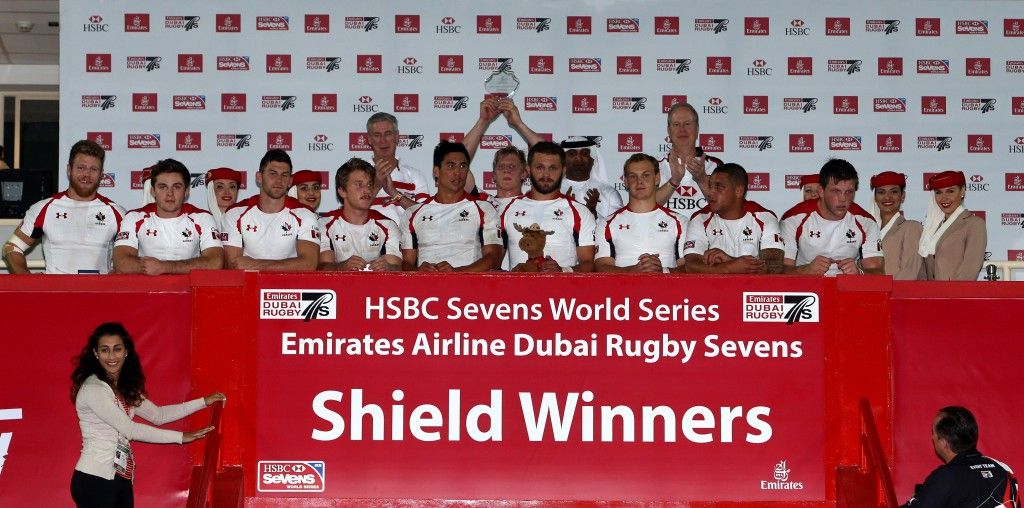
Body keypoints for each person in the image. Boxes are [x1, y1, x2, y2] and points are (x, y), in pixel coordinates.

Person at [70, 322, 225, 508]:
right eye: (104, 350)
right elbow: (130, 429)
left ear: (126, 352)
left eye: (117, 349)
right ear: (96, 354)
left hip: (121, 478)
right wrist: (181, 437)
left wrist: (202, 402)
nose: (111, 356)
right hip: (95, 479)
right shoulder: (93, 389)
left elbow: (158, 415)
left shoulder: (124, 388)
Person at [3, 140, 126, 274]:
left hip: (99, 293)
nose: (87, 174)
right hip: (55, 293)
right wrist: (27, 281)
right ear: (69, 170)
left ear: (101, 174)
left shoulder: (116, 212)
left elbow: (134, 256)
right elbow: (12, 247)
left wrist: (119, 274)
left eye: (93, 169)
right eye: (81, 168)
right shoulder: (44, 208)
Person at [400, 141, 502, 271]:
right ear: (436, 171)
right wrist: (419, 272)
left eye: (463, 166)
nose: (457, 172)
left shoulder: (483, 208)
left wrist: (456, 273)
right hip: (427, 289)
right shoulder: (412, 213)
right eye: (450, 166)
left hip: (470, 288)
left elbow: (494, 258)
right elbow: (405, 264)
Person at [112, 159, 224, 275]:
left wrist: (164, 267)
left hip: (189, 291)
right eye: (162, 187)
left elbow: (215, 263)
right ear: (153, 191)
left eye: (176, 187)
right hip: (146, 290)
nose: (170, 193)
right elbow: (121, 263)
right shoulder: (134, 217)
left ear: (186, 191)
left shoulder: (202, 218)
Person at [500, 141, 597, 272]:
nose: (546, 174)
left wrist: (563, 271)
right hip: (516, 291)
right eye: (540, 167)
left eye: (553, 168)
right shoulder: (508, 209)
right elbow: (493, 260)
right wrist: (511, 274)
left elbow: (589, 265)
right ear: (528, 170)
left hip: (561, 291)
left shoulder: (579, 211)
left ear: (563, 171)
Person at [780, 158, 884, 276]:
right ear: (821, 191)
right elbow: (779, 272)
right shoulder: (793, 219)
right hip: (806, 289)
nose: (843, 199)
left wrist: (859, 273)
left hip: (847, 290)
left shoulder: (866, 222)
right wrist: (806, 270)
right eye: (836, 191)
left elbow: (879, 272)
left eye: (849, 192)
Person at [222, 149, 320, 271]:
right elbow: (233, 266)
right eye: (272, 173)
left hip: (290, 287)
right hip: (250, 286)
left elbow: (309, 264)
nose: (279, 180)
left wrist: (255, 265)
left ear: (290, 181)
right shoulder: (235, 213)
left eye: (284, 175)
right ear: (259, 177)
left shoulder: (305, 214)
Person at [901, 406, 1019, 508]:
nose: (932, 438)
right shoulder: (1004, 469)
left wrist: (922, 497)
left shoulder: (946, 476)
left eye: (934, 433)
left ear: (944, 442)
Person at [683, 163, 785, 274]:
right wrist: (729, 267)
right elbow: (691, 266)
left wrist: (730, 261)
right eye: (710, 186)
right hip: (714, 289)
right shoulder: (700, 218)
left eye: (718, 187)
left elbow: (774, 268)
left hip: (752, 290)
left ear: (738, 191)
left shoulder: (765, 217)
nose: (710, 193)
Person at [595, 153, 686, 273]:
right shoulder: (607, 223)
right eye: (633, 176)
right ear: (626, 181)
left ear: (657, 178)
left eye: (646, 175)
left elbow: (688, 268)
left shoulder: (679, 221)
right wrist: (634, 271)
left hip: (667, 290)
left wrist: (663, 271)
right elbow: (601, 267)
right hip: (624, 291)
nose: (639, 181)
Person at [318, 158, 401, 272]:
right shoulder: (324, 224)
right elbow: (322, 267)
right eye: (359, 184)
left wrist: (389, 268)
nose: (366, 190)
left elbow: (397, 267)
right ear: (342, 191)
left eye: (369, 185)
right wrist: (341, 267)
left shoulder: (387, 225)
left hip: (377, 288)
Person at [463, 98, 542, 212]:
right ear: (494, 175)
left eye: (512, 167)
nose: (506, 171)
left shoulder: (534, 201)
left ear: (524, 173)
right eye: (501, 167)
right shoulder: (482, 201)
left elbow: (549, 156)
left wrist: (518, 124)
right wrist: (483, 121)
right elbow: (456, 159)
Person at [918, 171, 987, 280]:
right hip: (930, 294)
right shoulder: (932, 227)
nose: (944, 198)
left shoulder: (974, 224)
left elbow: (969, 269)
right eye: (938, 192)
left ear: (962, 191)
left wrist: (953, 294)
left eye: (950, 191)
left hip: (955, 294)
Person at [655, 102, 722, 211]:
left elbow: (723, 207)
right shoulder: (654, 165)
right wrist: (674, 181)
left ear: (697, 129)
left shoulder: (715, 165)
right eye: (676, 124)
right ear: (668, 130)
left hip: (704, 228)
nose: (682, 130)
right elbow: (645, 207)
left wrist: (702, 179)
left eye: (687, 124)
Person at [870, 171, 923, 280]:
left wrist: (888, 294)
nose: (887, 197)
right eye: (881, 192)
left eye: (893, 192)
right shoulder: (868, 230)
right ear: (875, 197)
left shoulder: (912, 227)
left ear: (902, 196)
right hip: (869, 293)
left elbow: (909, 271)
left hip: (898, 294)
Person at [558, 137, 623, 219]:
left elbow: (616, 227)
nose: (578, 159)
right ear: (563, 160)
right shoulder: (553, 192)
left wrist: (592, 213)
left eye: (585, 153)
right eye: (572, 154)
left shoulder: (609, 193)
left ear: (593, 159)